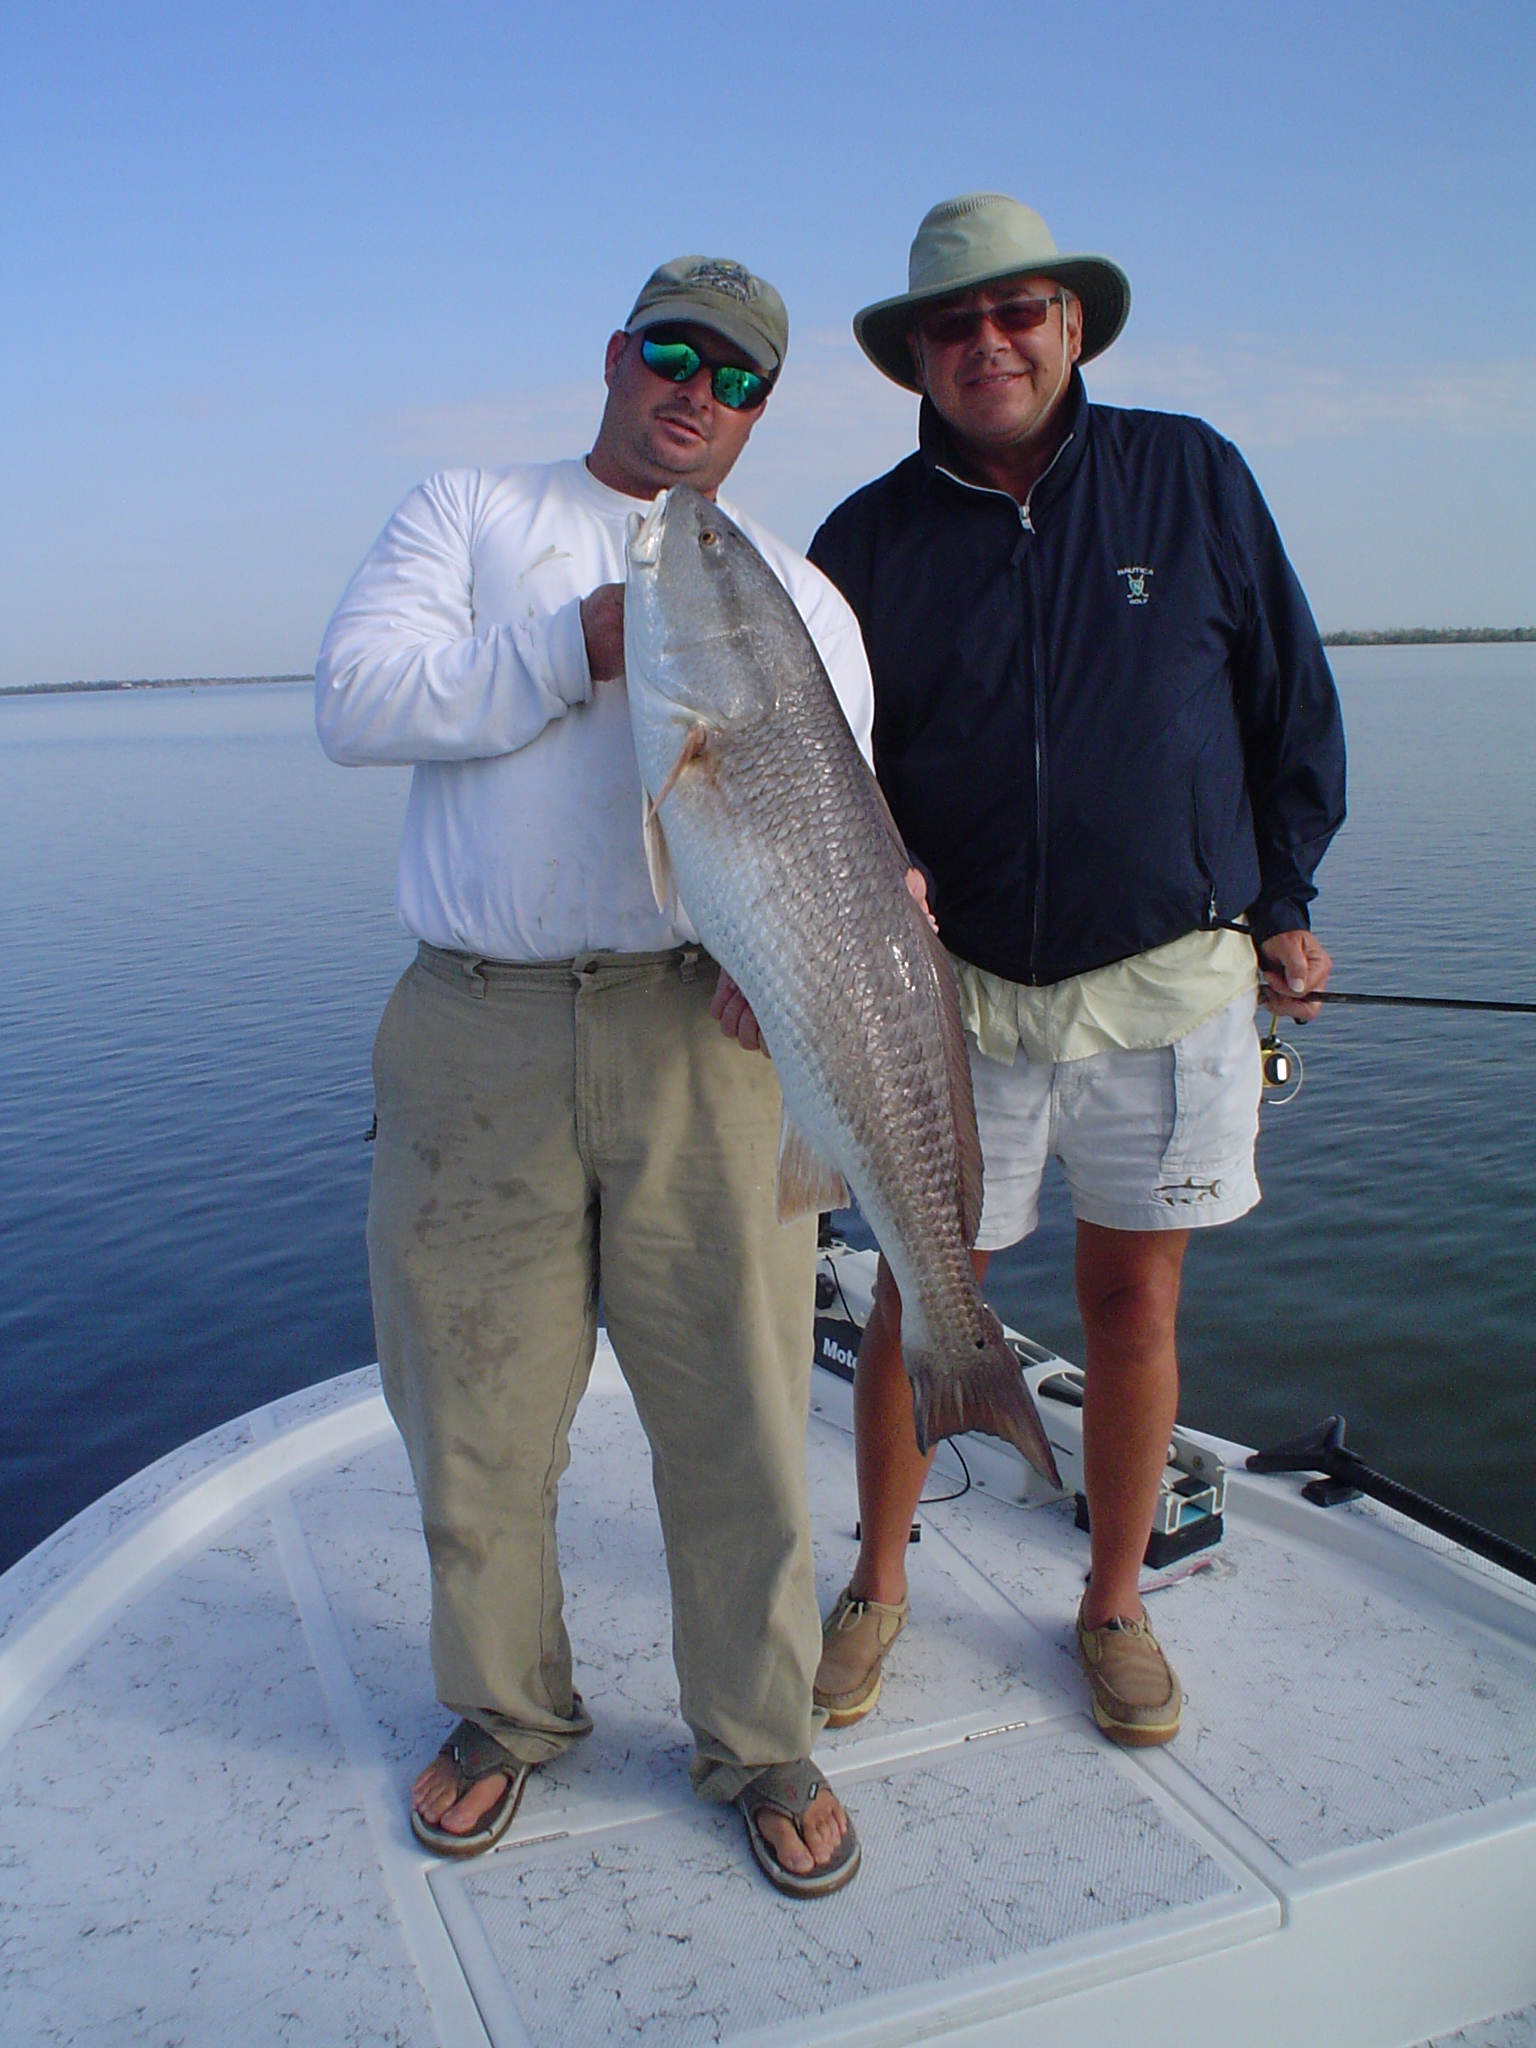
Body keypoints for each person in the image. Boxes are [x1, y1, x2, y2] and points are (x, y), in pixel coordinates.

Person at [314, 254, 873, 1896]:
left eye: (741, 377)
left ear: (763, 412)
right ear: (620, 354)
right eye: (677, 353)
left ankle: (763, 1742)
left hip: (707, 1030)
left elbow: (836, 841)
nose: (700, 391)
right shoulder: (471, 513)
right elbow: (355, 703)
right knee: (472, 1407)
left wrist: (834, 962)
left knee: (746, 1419)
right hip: (472, 1027)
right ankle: (504, 1716)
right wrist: (579, 645)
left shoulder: (800, 591)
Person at [806, 194, 1346, 1747]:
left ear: (1073, 325)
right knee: (928, 1287)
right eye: (953, 325)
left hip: (1171, 977)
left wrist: (1287, 900)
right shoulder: (865, 540)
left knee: (1132, 1298)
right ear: (916, 356)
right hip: (948, 989)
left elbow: (1287, 711)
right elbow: (832, 777)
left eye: (1017, 312)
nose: (987, 343)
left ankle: (1111, 1604)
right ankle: (879, 1584)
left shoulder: (1191, 477)